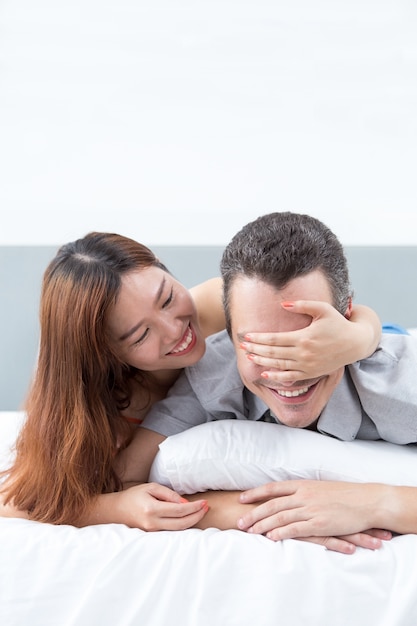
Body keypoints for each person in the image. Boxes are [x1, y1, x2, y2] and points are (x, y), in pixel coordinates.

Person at [0, 230, 382, 530]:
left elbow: (353, 309)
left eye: (167, 298)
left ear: (165, 269)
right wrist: (112, 508)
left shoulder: (211, 304)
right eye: (140, 336)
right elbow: (17, 497)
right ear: (107, 353)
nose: (174, 330)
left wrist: (357, 339)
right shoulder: (100, 408)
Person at [116, 211, 417, 553]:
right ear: (229, 337)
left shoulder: (398, 386)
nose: (284, 372)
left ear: (344, 319)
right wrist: (259, 512)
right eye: (259, 346)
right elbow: (125, 483)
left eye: (304, 342)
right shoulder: (212, 376)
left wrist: (375, 503)